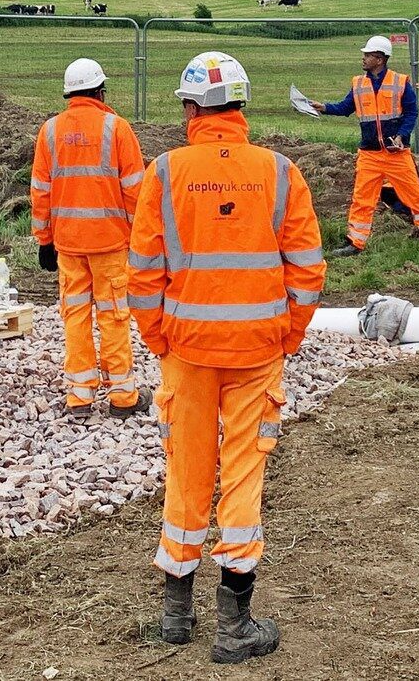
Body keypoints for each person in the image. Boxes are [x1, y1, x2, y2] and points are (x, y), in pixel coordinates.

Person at [129, 51, 325, 664]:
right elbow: (309, 271)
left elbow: (142, 274)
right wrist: (286, 334)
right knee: (243, 474)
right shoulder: (280, 172)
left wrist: (159, 336)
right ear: (241, 106)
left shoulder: (164, 172)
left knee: (186, 472)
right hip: (257, 351)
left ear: (191, 109)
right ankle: (233, 626)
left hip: (186, 352)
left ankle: (175, 614)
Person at [31, 58, 148, 415]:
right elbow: (135, 192)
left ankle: (79, 396)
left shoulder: (50, 131)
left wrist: (44, 239)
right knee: (114, 317)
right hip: (110, 244)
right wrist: (138, 239)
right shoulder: (117, 128)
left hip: (68, 244)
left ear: (69, 93)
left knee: (76, 316)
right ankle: (123, 397)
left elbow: (40, 191)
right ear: (99, 90)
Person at [318, 35, 419, 257]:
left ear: (380, 59)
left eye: (367, 55)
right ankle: (355, 243)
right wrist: (322, 107)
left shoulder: (400, 82)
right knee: (362, 199)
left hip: (397, 154)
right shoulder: (358, 83)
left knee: (414, 195)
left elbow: (412, 112)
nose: (363, 58)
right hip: (369, 154)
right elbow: (345, 108)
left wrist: (402, 136)